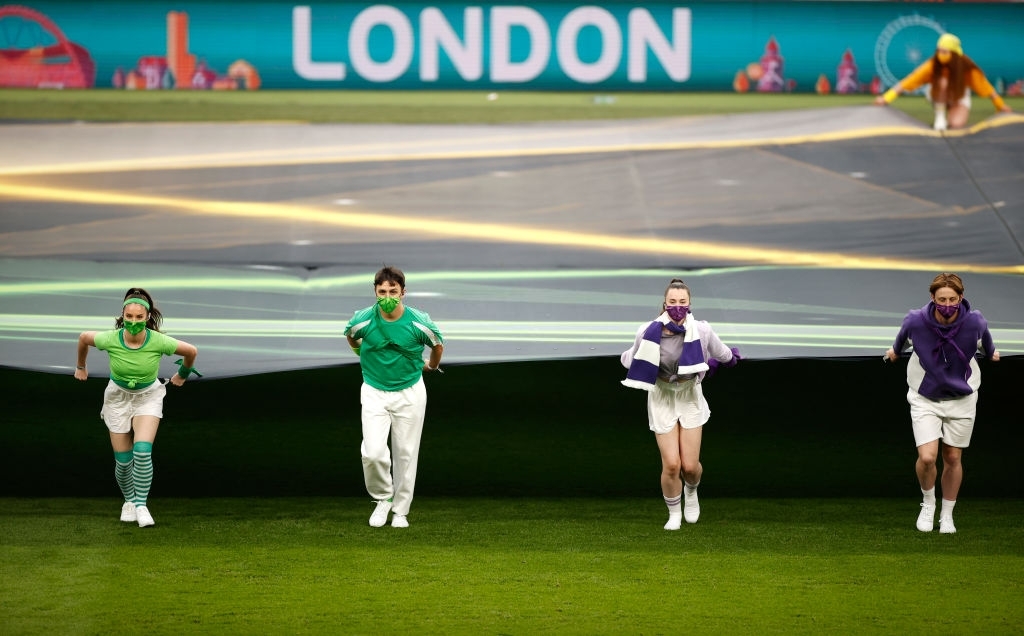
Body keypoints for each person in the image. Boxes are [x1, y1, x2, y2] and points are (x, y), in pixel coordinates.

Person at [74, 288, 199, 528]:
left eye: (138, 318)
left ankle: (141, 505)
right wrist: (81, 366)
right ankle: (129, 501)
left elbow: (190, 352)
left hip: (147, 397)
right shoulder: (111, 338)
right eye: (129, 317)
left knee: (142, 451)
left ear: (148, 317)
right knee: (123, 461)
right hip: (117, 398)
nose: (133, 322)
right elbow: (83, 338)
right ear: (122, 315)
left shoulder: (158, 340)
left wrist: (182, 374)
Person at [620, 279, 740, 530]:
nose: (677, 307)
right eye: (672, 302)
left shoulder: (702, 330)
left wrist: (729, 360)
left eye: (682, 302)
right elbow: (628, 361)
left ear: (690, 304)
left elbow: (723, 353)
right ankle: (674, 513)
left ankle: (692, 491)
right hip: (662, 395)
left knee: (690, 467)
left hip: (689, 396)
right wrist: (642, 351)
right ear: (664, 304)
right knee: (672, 464)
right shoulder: (648, 330)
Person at [884, 273, 999, 534]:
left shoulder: (974, 321)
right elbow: (900, 342)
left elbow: (989, 347)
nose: (947, 304)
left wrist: (992, 355)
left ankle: (947, 515)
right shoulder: (916, 319)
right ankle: (928, 503)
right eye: (941, 299)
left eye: (952, 299)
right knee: (927, 458)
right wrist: (893, 353)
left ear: (961, 298)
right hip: (925, 396)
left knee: (953, 456)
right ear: (932, 298)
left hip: (962, 398)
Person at [345, 265, 444, 529]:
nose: (387, 295)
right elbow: (351, 337)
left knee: (406, 453)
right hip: (374, 391)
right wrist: (362, 356)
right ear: (375, 292)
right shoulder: (363, 320)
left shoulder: (418, 321)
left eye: (393, 290)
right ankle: (382, 498)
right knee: (374, 452)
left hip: (409, 392)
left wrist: (431, 366)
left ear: (403, 292)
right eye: (382, 291)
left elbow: (437, 344)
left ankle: (401, 511)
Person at [874, 32, 1012, 131]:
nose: (941, 55)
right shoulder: (932, 65)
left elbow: (987, 88)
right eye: (939, 51)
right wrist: (886, 98)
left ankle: (951, 114)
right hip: (937, 93)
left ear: (954, 53)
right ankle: (940, 116)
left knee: (956, 125)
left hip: (958, 97)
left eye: (945, 52)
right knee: (943, 82)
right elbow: (908, 81)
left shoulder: (967, 67)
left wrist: (1000, 106)